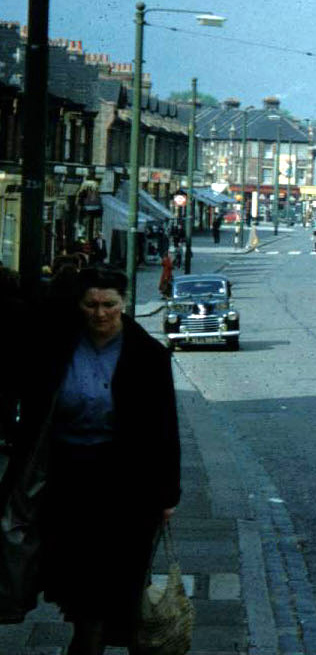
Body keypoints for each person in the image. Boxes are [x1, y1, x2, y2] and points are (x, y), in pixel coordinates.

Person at [4, 267, 180, 654]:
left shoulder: (148, 357)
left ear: (124, 304)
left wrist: (168, 494)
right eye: (91, 305)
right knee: (77, 578)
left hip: (125, 484)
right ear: (79, 306)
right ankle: (89, 629)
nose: (100, 313)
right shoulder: (57, 347)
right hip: (66, 478)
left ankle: (95, 634)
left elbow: (165, 428)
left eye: (109, 305)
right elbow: (30, 404)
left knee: (113, 581)